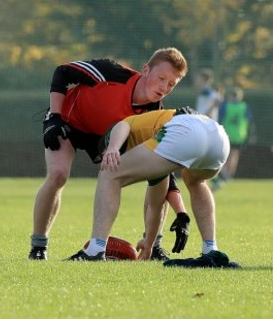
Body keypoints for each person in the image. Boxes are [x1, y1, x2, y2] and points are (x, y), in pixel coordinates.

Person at [30, 47, 188, 261]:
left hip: (104, 138)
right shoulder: (111, 72)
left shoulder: (155, 113)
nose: (164, 87)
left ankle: (154, 246)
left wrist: (181, 214)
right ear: (146, 70)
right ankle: (38, 247)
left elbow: (164, 171)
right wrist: (55, 117)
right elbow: (62, 72)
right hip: (68, 120)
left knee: (156, 176)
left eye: (171, 84)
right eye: (161, 78)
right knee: (58, 175)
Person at [66, 108, 240, 268]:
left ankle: (95, 249)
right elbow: (156, 204)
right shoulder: (154, 153)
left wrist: (112, 148)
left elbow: (123, 124)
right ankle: (210, 249)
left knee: (108, 174)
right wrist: (149, 243)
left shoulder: (128, 134)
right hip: (218, 137)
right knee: (195, 181)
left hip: (186, 130)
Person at [213, 86, 252, 190]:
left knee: (225, 155)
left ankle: (224, 174)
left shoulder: (226, 105)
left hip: (227, 134)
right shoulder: (244, 106)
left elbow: (219, 118)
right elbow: (248, 121)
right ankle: (229, 176)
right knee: (234, 156)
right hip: (239, 136)